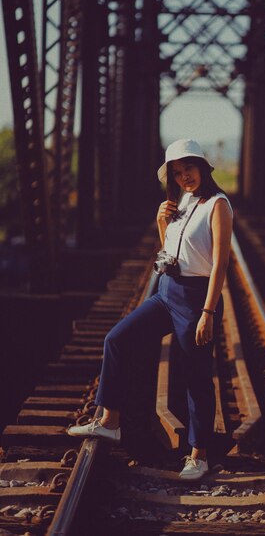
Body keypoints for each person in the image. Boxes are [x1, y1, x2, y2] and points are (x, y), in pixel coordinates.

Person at [68, 138, 233, 480]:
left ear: (203, 167)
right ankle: (110, 422)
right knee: (118, 339)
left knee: (196, 377)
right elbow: (171, 251)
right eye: (177, 172)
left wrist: (208, 312)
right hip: (166, 290)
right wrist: (161, 223)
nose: (184, 176)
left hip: (193, 297)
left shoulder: (218, 205)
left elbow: (219, 265)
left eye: (189, 168)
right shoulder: (180, 201)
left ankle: (198, 455)